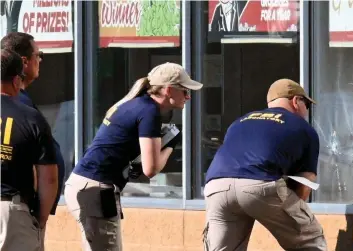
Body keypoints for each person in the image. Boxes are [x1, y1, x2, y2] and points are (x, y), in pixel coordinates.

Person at [64, 62, 203, 251]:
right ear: (169, 90)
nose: (188, 96)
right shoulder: (150, 112)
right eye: (185, 91)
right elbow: (151, 169)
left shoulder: (135, 104)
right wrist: (170, 145)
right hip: (96, 190)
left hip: (87, 186)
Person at [203, 78, 328, 251]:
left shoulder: (240, 121)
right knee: (310, 241)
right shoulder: (303, 128)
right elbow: (303, 187)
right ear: (296, 101)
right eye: (306, 104)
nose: (306, 110)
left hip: (216, 186)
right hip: (259, 183)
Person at [1, 32, 65, 222]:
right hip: (21, 210)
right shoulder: (18, 107)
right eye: (39, 55)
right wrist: (39, 216)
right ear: (24, 61)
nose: (41, 60)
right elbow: (31, 163)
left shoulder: (22, 104)